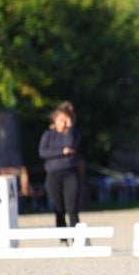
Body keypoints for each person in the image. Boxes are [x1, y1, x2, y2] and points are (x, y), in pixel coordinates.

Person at [39, 101, 82, 238]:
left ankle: (76, 237)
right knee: (58, 208)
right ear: (55, 120)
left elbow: (70, 145)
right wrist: (62, 151)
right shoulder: (48, 135)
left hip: (70, 174)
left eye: (66, 121)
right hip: (53, 175)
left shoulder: (73, 133)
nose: (63, 123)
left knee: (72, 208)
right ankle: (63, 238)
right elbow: (43, 153)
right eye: (61, 120)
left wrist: (70, 127)